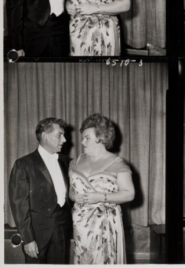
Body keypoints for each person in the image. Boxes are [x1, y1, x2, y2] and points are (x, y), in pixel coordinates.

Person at [69, 113, 135, 264]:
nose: (82, 142)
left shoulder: (118, 164)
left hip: (106, 225)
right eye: (83, 137)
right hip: (81, 225)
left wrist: (101, 197)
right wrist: (74, 197)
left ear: (101, 138)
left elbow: (129, 194)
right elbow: (71, 191)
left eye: (87, 138)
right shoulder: (75, 162)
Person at [8, 118, 71, 264]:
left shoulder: (66, 162)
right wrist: (28, 239)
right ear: (44, 136)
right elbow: (19, 206)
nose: (64, 139)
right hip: (36, 233)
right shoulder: (23, 164)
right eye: (59, 135)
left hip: (61, 230)